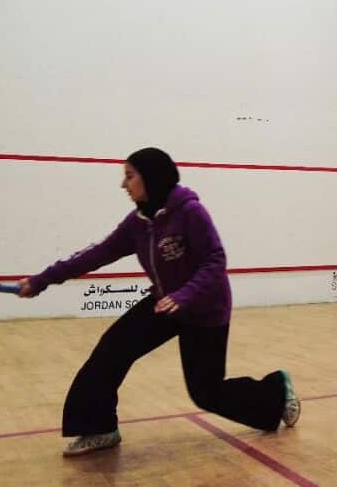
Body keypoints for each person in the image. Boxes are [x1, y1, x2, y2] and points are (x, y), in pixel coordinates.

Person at [18, 147, 301, 456]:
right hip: (165, 304)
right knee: (112, 350)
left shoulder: (190, 212)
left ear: (151, 178)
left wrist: (184, 295)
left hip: (205, 309)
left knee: (206, 393)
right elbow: (96, 254)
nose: (124, 184)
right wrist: (41, 280)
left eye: (130, 176)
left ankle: (276, 391)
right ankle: (99, 428)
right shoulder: (138, 222)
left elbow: (215, 260)